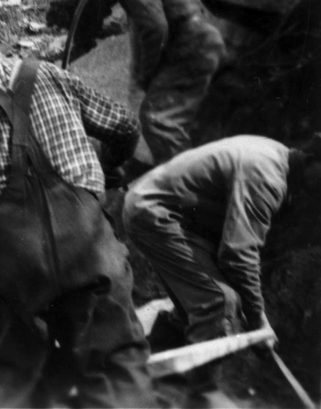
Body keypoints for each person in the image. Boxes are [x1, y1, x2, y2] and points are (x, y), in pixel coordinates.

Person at [0, 0, 153, 408]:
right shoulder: (52, 74)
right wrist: (106, 166)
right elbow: (124, 125)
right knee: (118, 368)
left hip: (11, 259)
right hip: (88, 244)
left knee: (19, 379)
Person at [123, 136, 314, 397]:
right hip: (156, 211)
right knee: (218, 303)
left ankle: (154, 378)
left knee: (202, 304)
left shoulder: (278, 158)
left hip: (178, 216)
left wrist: (254, 314)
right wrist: (259, 321)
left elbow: (234, 250)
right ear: (315, 161)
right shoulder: (267, 175)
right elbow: (238, 255)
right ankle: (197, 395)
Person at [81, 0, 226, 165]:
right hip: (203, 42)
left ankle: (182, 180)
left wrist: (146, 73)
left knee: (156, 117)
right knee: (183, 117)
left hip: (192, 46)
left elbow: (155, 29)